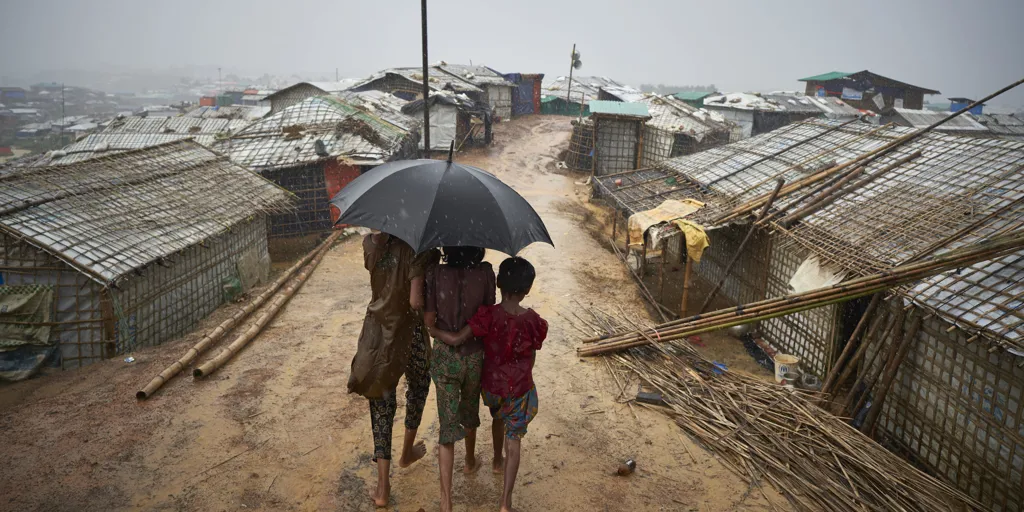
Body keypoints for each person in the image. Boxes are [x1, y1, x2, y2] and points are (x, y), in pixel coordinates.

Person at [432, 257, 547, 512]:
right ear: (528, 289)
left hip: (492, 387)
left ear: (497, 283)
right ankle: (505, 498)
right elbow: (534, 353)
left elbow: (459, 338)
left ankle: (496, 459)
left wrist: (436, 332)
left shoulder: (489, 315)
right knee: (514, 437)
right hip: (519, 387)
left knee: (498, 417)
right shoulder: (534, 321)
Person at [347, 231, 440, 508]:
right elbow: (414, 302)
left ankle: (383, 485)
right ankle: (407, 451)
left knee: (381, 401)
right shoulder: (418, 248)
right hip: (409, 333)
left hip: (378, 333)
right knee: (419, 385)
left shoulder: (370, 244)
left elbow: (376, 264)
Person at [423, 246, 496, 512]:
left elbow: (429, 321)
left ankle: (446, 499)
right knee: (469, 408)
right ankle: (468, 460)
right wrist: (465, 334)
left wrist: (449, 336)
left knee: (446, 423)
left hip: (444, 357)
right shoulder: (486, 273)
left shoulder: (435, 273)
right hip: (474, 354)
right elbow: (487, 315)